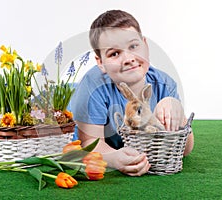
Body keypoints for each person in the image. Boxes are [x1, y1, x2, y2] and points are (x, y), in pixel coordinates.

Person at [70, 9, 194, 176]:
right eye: (114, 53)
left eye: (134, 46)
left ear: (145, 45)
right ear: (101, 63)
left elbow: (185, 149)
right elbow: (90, 143)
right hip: (71, 99)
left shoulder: (165, 85)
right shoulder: (93, 86)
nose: (128, 58)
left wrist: (178, 113)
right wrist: (112, 159)